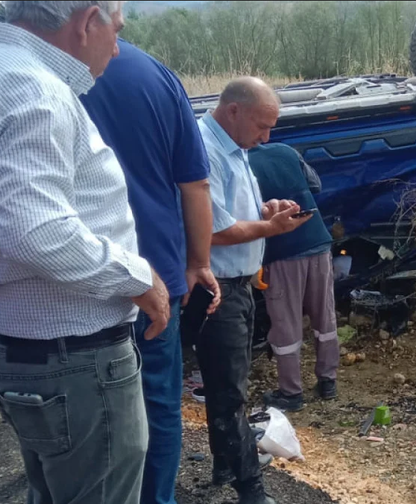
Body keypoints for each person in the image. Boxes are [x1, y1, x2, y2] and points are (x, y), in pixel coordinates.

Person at [0, 2, 171, 504]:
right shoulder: (36, 88)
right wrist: (139, 279)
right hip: (77, 359)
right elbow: (37, 231)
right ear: (87, 20)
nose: (116, 49)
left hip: (30, 350)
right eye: (115, 32)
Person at [79, 38, 221, 504]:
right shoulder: (155, 75)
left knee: (79, 419)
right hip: (156, 277)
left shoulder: (29, 69)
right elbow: (194, 184)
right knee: (158, 406)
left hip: (71, 281)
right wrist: (199, 263)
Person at [196, 76, 312, 504]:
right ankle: (251, 490)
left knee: (228, 384)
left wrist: (267, 211)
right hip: (218, 287)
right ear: (234, 112)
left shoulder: (236, 147)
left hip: (238, 284)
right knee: (229, 392)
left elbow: (233, 211)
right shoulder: (206, 149)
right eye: (263, 126)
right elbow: (212, 228)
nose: (267, 137)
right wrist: (269, 227)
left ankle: (226, 463)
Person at [249, 143, 340, 413]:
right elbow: (316, 186)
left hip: (282, 251)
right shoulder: (287, 151)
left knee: (286, 323)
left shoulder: (240, 164)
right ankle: (328, 382)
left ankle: (291, 393)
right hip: (318, 242)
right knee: (325, 317)